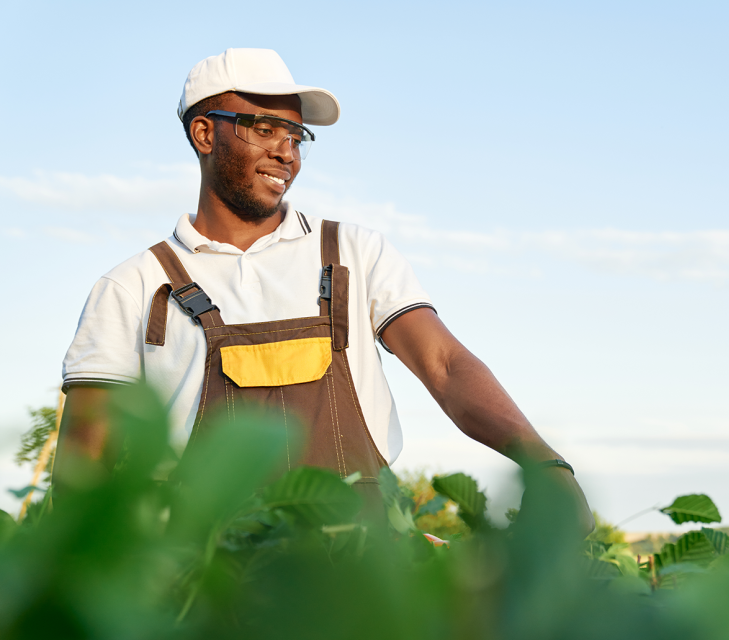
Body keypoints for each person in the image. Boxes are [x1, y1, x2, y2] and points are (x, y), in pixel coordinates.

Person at [54, 48, 593, 533]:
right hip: (207, 588)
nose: (287, 153)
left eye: (296, 137)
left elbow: (445, 364)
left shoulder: (354, 253)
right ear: (204, 133)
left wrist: (544, 463)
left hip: (360, 577)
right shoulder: (133, 287)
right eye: (264, 128)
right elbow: (83, 469)